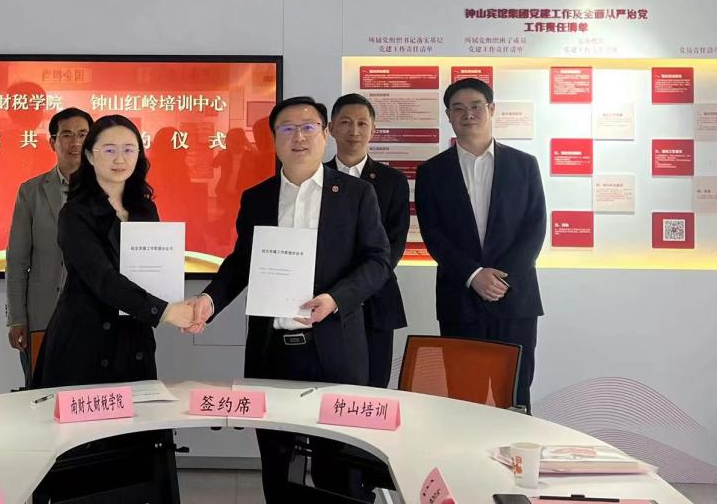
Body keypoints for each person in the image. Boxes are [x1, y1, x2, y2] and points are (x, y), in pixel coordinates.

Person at [187, 97, 391, 503]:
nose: (299, 136)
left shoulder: (355, 193)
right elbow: (241, 263)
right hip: (272, 353)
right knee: (277, 463)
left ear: (325, 134)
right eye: (287, 128)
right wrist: (209, 300)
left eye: (309, 126)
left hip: (334, 349)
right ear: (274, 140)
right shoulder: (258, 198)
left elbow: (378, 261)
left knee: (340, 469)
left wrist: (335, 298)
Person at [415, 78, 546, 410]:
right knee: (463, 397)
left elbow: (534, 229)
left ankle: (515, 447)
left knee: (515, 395)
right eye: (458, 108)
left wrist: (499, 279)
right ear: (448, 115)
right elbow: (434, 235)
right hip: (460, 298)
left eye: (476, 106)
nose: (468, 114)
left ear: (491, 109)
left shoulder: (524, 165)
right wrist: (474, 275)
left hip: (514, 299)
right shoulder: (431, 172)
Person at [37, 115, 195, 389]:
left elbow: (153, 271)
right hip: (84, 341)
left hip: (133, 337)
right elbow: (102, 279)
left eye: (128, 149)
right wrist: (165, 311)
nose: (120, 159)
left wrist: (175, 305)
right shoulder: (74, 213)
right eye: (109, 150)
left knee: (140, 414)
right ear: (89, 155)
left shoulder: (145, 209)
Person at [5, 107, 92, 388]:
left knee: (89, 396)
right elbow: (17, 260)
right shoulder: (31, 191)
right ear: (52, 142)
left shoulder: (108, 191)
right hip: (43, 315)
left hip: (93, 317)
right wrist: (17, 318)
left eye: (82, 135)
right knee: (40, 395)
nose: (75, 142)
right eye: (66, 135)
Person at [326, 93, 409, 389]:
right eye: (345, 123)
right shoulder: (315, 178)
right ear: (331, 128)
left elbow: (394, 244)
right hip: (326, 299)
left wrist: (360, 285)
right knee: (330, 389)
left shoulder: (393, 181)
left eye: (362, 123)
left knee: (374, 389)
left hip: (377, 299)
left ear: (373, 130)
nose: (354, 131)